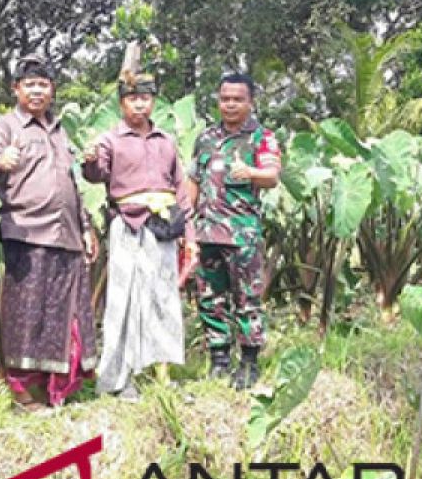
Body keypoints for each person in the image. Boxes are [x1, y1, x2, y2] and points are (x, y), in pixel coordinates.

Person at [0, 53, 98, 410]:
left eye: (43, 84)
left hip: (68, 234)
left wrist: (87, 227)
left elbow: (74, 183)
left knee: (65, 314)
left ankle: (56, 388)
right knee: (26, 316)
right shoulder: (5, 127)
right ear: (16, 89)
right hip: (27, 232)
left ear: (52, 89)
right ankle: (21, 392)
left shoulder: (61, 131)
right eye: (29, 84)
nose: (37, 91)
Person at [81, 70, 195, 400]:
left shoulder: (166, 141)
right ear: (121, 104)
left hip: (163, 226)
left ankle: (162, 374)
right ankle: (119, 378)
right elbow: (96, 173)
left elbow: (180, 189)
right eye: (132, 99)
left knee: (162, 299)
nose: (139, 105)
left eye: (145, 98)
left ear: (153, 101)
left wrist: (190, 235)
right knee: (123, 300)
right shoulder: (109, 140)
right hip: (128, 223)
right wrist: (90, 162)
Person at [187, 72, 282, 390]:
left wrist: (251, 172)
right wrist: (185, 219)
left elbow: (272, 176)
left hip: (242, 235)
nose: (230, 104)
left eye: (237, 99)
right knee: (210, 299)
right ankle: (219, 360)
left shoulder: (261, 137)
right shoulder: (206, 138)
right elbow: (194, 181)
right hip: (207, 233)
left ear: (250, 102)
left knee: (247, 299)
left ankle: (250, 362)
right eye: (225, 98)